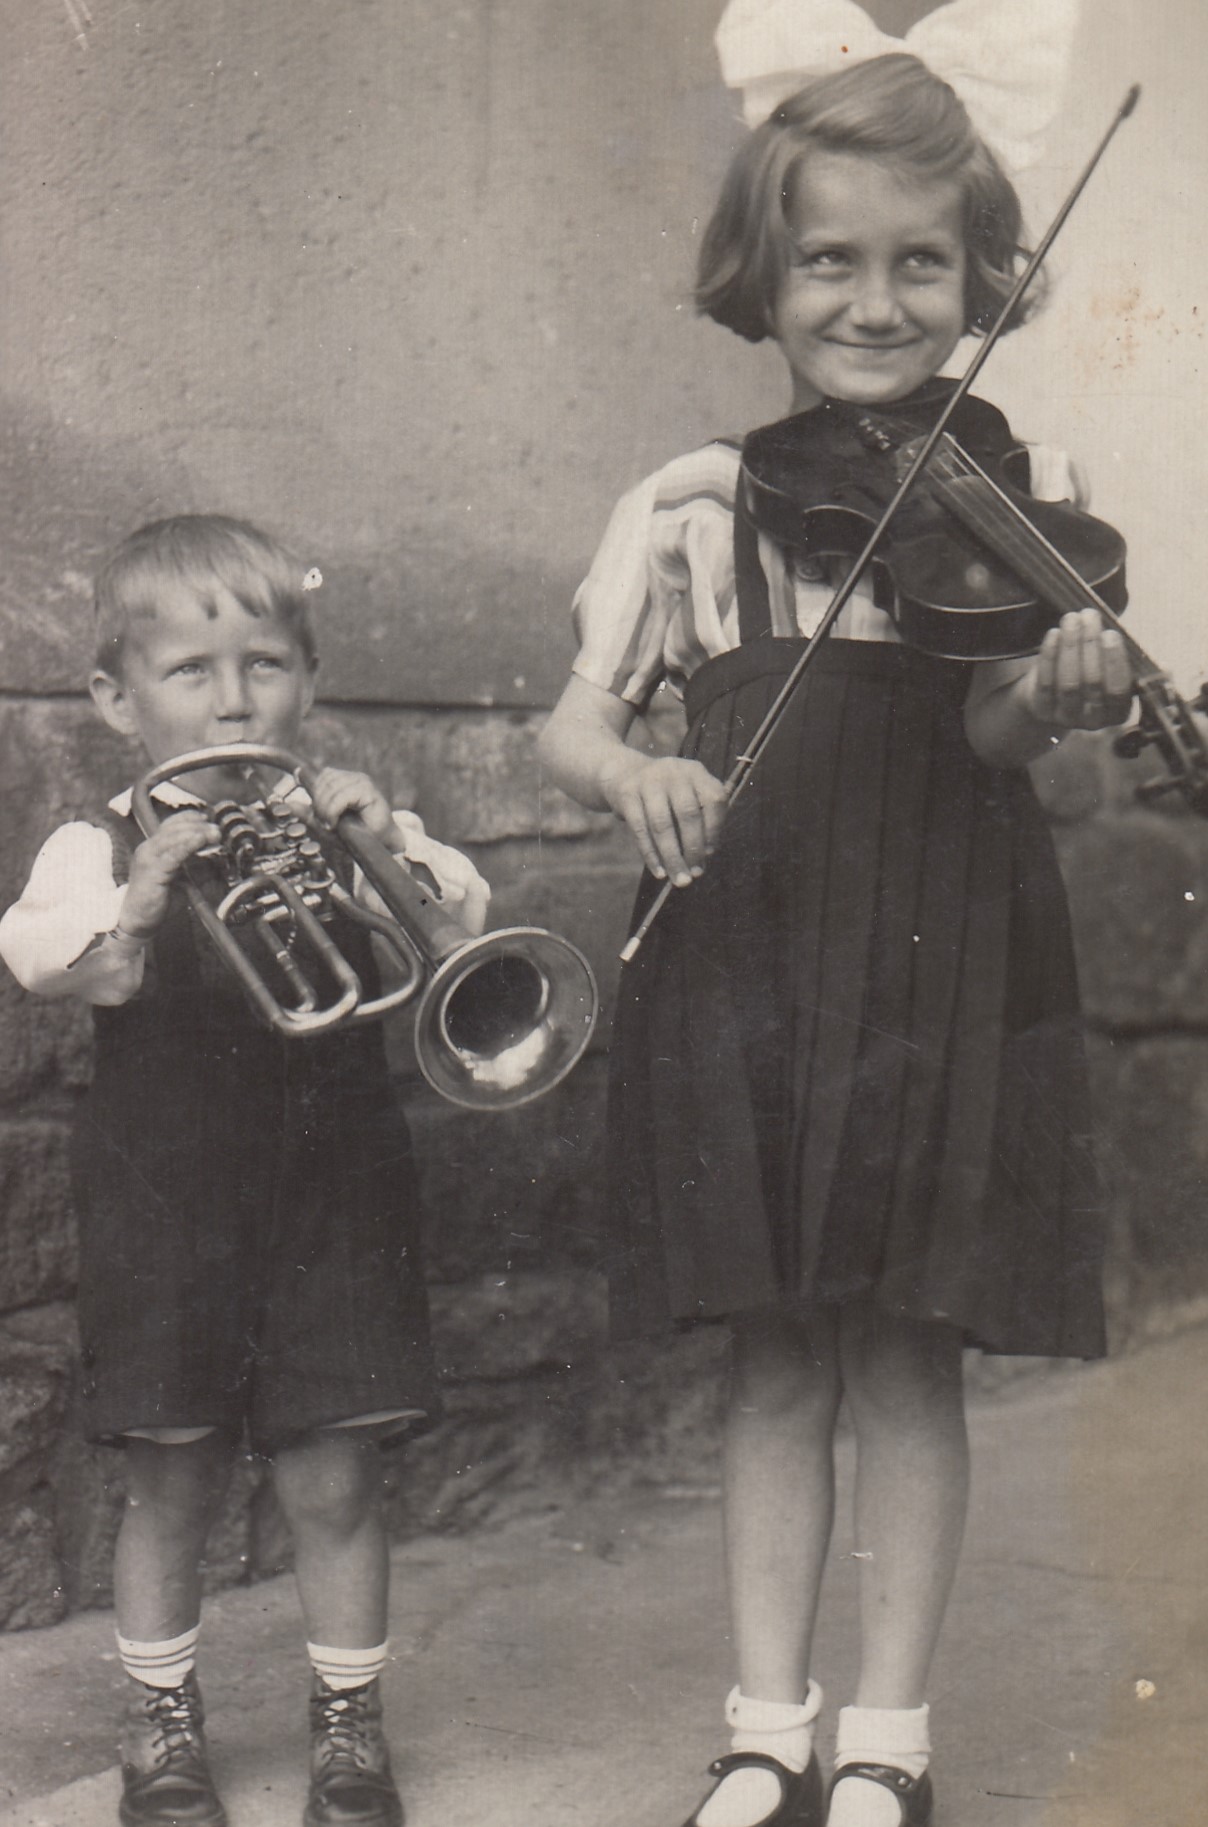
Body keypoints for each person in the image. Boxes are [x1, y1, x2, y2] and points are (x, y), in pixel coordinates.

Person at [537, 21, 1133, 1827]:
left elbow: (997, 737)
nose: (875, 305)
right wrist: (631, 777)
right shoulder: (692, 505)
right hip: (755, 950)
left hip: (940, 950)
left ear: (981, 278)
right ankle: (764, 1728)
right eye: (829, 261)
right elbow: (575, 723)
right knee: (775, 1354)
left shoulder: (1017, 497)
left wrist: (1060, 693)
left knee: (906, 1350)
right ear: (764, 273)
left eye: (920, 265)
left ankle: (889, 1742)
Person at [0, 515, 490, 1827]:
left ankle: (350, 1727)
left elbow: (461, 921)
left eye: (264, 665)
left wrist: (385, 845)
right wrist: (142, 897)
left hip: (336, 1190)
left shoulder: (347, 823)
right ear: (118, 700)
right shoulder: (96, 844)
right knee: (170, 1477)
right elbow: (45, 958)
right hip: (167, 1196)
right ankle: (160, 1728)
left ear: (307, 682)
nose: (233, 701)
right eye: (191, 672)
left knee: (336, 1474)